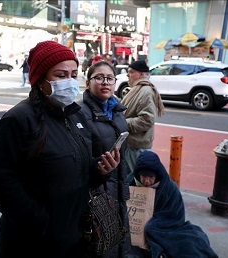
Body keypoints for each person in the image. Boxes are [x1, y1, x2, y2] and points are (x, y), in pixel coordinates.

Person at [0, 40, 121, 258]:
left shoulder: (75, 115)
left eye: (73, 75)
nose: (69, 82)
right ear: (40, 80)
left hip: (75, 236)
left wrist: (100, 170)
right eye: (60, 75)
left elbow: (78, 169)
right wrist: (42, 222)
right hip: (33, 242)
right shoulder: (18, 120)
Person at [77, 60, 131, 257]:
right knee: (99, 242)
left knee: (117, 237)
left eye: (109, 78)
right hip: (97, 190)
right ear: (88, 82)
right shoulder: (80, 113)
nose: (105, 82)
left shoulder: (117, 111)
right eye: (99, 78)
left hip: (117, 186)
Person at [129, 151, 219, 258]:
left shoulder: (169, 188)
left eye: (151, 177)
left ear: (157, 175)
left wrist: (152, 224)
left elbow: (174, 214)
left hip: (165, 225)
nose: (147, 181)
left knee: (190, 243)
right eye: (143, 176)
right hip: (138, 226)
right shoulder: (130, 181)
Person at [120, 60, 165, 183]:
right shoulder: (138, 89)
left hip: (137, 146)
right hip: (133, 145)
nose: (128, 75)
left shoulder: (145, 91)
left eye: (131, 72)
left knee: (137, 181)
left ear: (141, 74)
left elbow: (147, 119)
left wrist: (123, 123)